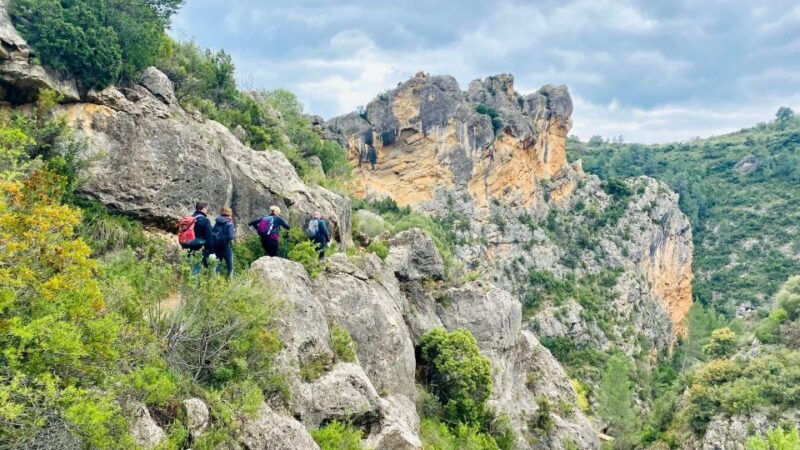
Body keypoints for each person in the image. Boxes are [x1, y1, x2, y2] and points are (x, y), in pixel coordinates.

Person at [179, 202, 213, 272]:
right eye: (206, 209)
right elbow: (209, 238)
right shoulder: (205, 221)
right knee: (196, 269)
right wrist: (210, 251)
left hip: (188, 246)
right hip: (199, 248)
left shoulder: (190, 219)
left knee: (187, 267)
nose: (206, 211)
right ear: (203, 209)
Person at [211, 207, 236, 278]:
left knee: (217, 265)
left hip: (216, 247)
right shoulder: (229, 223)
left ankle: (214, 281)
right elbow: (231, 237)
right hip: (226, 247)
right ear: (230, 213)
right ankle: (229, 283)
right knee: (230, 267)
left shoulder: (217, 222)